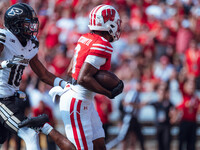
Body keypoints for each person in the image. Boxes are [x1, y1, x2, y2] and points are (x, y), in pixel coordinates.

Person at [0, 3, 73, 150]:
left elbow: (43, 74)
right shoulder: (4, 38)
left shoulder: (31, 44)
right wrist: (4, 64)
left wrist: (65, 85)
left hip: (12, 98)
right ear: (15, 24)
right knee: (29, 134)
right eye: (27, 23)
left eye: (32, 23)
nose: (32, 27)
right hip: (1, 98)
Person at [52, 4, 123, 150]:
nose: (117, 25)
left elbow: (70, 70)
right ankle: (45, 128)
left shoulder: (85, 37)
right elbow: (83, 78)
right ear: (107, 23)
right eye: (115, 22)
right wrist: (108, 92)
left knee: (99, 145)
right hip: (77, 100)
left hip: (81, 98)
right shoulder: (103, 44)